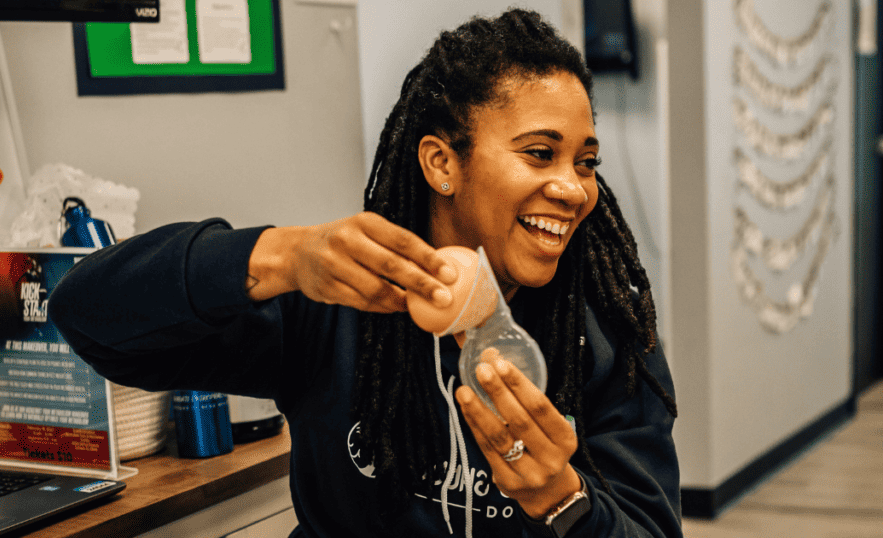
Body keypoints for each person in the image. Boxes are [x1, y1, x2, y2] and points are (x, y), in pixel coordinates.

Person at [49, 8, 682, 537]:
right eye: (540, 154)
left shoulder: (609, 336)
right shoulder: (333, 305)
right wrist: (280, 255)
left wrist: (563, 501)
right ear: (441, 163)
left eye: (586, 162)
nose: (572, 189)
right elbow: (87, 315)